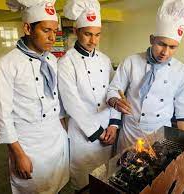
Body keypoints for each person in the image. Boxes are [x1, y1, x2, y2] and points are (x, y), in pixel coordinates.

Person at [0, 1, 69, 193]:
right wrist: (18, 155)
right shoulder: (6, 65)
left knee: (56, 187)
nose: (52, 37)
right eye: (46, 30)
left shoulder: (51, 60)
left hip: (56, 142)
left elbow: (55, 100)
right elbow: (2, 117)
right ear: (27, 28)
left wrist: (64, 134)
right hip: (28, 145)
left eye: (55, 31)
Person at [107, 0, 184, 153]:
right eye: (161, 44)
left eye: (172, 47)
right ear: (152, 39)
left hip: (160, 135)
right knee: (123, 170)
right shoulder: (131, 62)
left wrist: (183, 144)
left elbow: (183, 110)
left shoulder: (182, 72)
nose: (165, 52)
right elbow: (113, 89)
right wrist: (115, 101)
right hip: (131, 132)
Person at [58, 0, 121, 190]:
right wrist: (98, 132)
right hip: (83, 135)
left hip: (108, 131)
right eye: (87, 34)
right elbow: (72, 104)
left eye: (97, 35)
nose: (93, 41)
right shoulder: (66, 63)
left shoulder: (104, 59)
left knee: (105, 180)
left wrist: (114, 124)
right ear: (77, 32)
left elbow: (114, 92)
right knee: (84, 184)